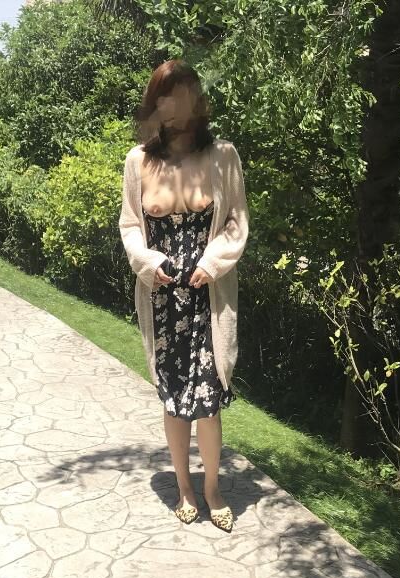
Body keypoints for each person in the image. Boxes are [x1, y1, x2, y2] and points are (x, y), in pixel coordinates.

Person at [119, 59, 249, 531]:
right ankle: (184, 487)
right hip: (163, 298)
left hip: (208, 298)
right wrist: (148, 263)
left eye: (181, 93)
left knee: (209, 399)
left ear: (197, 100)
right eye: (164, 95)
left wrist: (211, 264)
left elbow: (236, 222)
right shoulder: (138, 161)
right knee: (175, 401)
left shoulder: (223, 157)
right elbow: (130, 225)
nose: (173, 103)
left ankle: (212, 488)